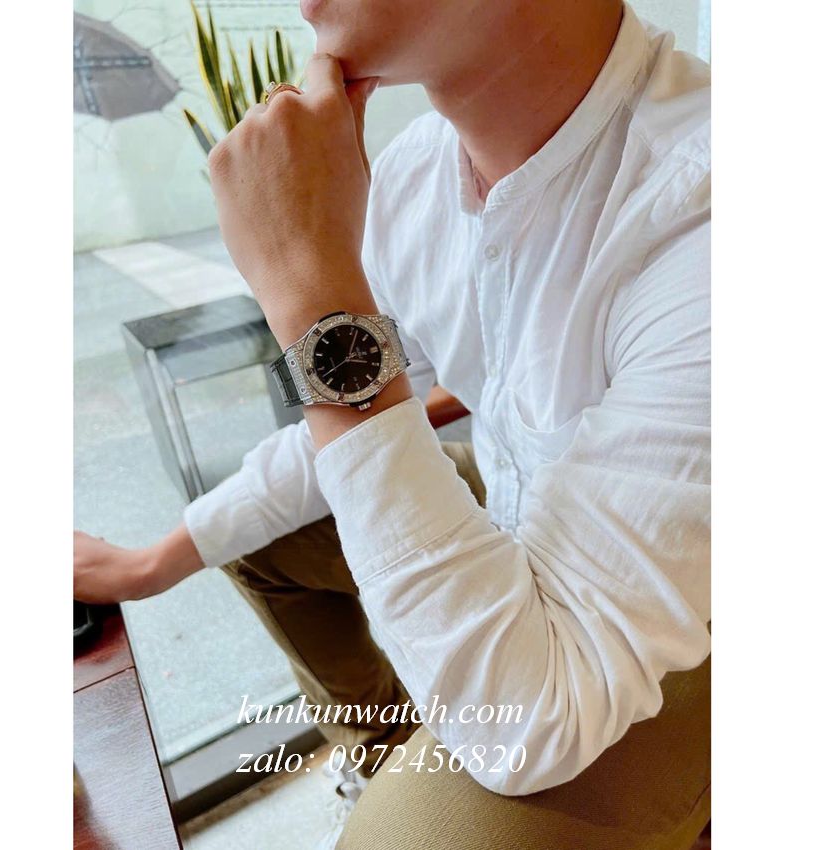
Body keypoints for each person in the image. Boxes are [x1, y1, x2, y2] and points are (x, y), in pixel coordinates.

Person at [75, 1, 711, 847]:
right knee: (260, 535)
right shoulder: (416, 174)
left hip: (702, 617)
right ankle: (383, 752)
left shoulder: (707, 215)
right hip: (532, 503)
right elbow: (357, 430)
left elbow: (535, 719)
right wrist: (154, 561)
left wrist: (309, 289)